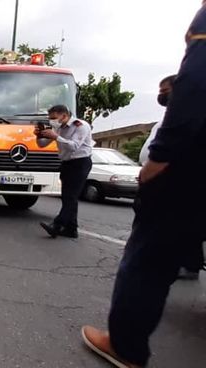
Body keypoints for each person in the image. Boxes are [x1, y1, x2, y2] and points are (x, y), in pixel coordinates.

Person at [81, 5, 206, 367]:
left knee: (148, 261)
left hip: (187, 176)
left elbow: (196, 86)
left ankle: (126, 345)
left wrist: (156, 162)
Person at [140, 74, 203, 281]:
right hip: (158, 181)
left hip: (175, 181)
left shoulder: (188, 118)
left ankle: (188, 264)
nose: (161, 96)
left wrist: (150, 172)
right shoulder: (165, 119)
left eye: (165, 91)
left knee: (185, 226)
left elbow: (169, 151)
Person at [36, 104, 94, 239]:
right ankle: (71, 229)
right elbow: (42, 144)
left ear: (64, 115)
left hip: (80, 163)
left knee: (71, 196)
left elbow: (74, 146)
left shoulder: (81, 126)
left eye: (54, 117)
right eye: (50, 118)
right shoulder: (58, 128)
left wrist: (56, 137)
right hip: (67, 164)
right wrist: (39, 135)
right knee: (67, 197)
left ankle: (57, 225)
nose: (52, 121)